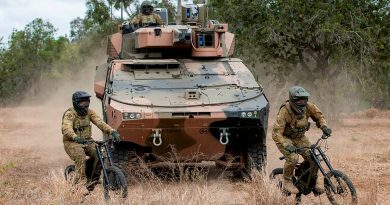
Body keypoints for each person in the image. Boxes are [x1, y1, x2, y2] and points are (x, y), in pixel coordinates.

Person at [272, 86, 332, 194]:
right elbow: (276, 133)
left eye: (304, 99)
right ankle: (287, 181)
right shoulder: (285, 111)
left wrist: (324, 127)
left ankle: (312, 181)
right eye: (299, 100)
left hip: (300, 138)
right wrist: (286, 145)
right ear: (293, 100)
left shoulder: (309, 107)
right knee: (293, 158)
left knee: (314, 158)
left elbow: (319, 117)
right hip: (285, 138)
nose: (302, 102)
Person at [62, 91, 121, 194]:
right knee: (80, 156)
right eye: (82, 103)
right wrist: (75, 137)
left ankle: (94, 177)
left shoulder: (90, 112)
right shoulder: (70, 114)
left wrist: (112, 131)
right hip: (72, 142)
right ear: (76, 103)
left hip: (87, 141)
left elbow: (100, 122)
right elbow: (66, 128)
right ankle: (82, 183)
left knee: (101, 154)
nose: (85, 105)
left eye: (87, 102)